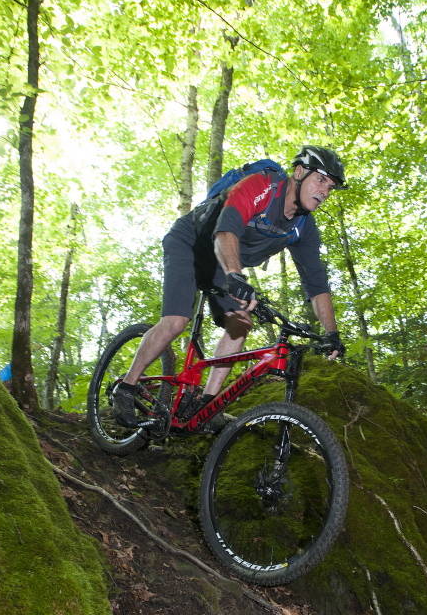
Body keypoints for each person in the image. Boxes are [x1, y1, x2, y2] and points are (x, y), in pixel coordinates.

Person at [112, 146, 348, 429]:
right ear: (299, 172)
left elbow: (316, 281)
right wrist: (235, 275)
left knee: (240, 325)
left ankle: (206, 405)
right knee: (176, 321)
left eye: (330, 187)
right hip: (191, 242)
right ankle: (126, 387)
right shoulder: (263, 186)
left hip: (223, 263)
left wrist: (331, 333)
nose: (324, 191)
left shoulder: (302, 227)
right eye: (320, 179)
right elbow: (227, 229)